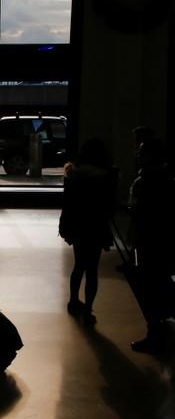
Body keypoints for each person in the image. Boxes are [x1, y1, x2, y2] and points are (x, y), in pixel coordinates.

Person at [59, 138, 117, 325]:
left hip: (78, 225)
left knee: (79, 265)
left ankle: (73, 300)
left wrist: (64, 225)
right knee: (92, 270)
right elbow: (110, 206)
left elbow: (67, 204)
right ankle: (88, 309)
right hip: (96, 225)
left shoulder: (73, 175)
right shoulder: (107, 176)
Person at [127, 138, 175, 352]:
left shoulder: (147, 181)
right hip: (161, 240)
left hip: (150, 240)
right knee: (160, 284)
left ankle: (155, 332)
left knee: (150, 288)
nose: (138, 155)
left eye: (142, 152)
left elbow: (143, 212)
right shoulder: (165, 179)